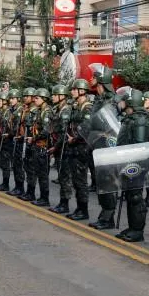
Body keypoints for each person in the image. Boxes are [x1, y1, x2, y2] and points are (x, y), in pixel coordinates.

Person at [115, 88, 149, 242]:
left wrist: (130, 163)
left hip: (136, 163)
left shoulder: (140, 119)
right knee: (130, 194)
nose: (121, 103)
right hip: (129, 163)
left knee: (135, 197)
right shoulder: (132, 118)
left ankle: (137, 230)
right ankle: (132, 227)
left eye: (124, 100)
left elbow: (139, 146)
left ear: (130, 102)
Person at [87, 63, 118, 230]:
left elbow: (111, 125)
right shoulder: (100, 100)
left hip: (108, 147)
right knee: (101, 183)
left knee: (108, 183)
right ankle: (104, 215)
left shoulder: (113, 101)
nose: (94, 85)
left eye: (97, 83)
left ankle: (108, 217)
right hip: (97, 146)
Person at [65, 79, 92, 221]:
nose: (72, 91)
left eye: (75, 89)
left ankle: (84, 210)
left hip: (81, 148)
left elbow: (86, 129)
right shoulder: (76, 106)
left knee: (80, 181)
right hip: (74, 147)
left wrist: (74, 139)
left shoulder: (87, 107)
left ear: (82, 91)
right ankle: (79, 208)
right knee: (76, 180)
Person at [23, 88, 52, 206]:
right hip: (37, 146)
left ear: (44, 99)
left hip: (43, 146)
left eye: (37, 98)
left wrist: (33, 138)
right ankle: (40, 197)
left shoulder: (47, 111)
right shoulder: (40, 110)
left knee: (43, 174)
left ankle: (45, 198)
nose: (35, 100)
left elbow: (45, 131)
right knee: (38, 173)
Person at [49, 84, 73, 214]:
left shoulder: (65, 110)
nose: (52, 97)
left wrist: (55, 147)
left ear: (62, 96)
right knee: (61, 176)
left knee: (64, 177)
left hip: (64, 148)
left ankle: (65, 204)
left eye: (54, 95)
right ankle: (62, 203)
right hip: (58, 147)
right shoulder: (58, 109)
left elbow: (63, 133)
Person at [8, 88, 34, 197]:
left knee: (24, 167)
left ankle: (23, 189)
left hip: (25, 141)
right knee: (16, 165)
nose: (25, 98)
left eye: (27, 96)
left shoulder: (30, 110)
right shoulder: (21, 109)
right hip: (18, 139)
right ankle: (18, 187)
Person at [0, 92, 13, 191]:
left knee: (5, 165)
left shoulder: (8, 113)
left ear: (5, 101)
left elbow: (11, 129)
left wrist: (6, 135)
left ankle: (6, 184)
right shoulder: (1, 112)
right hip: (0, 140)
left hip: (6, 142)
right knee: (2, 163)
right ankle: (3, 183)